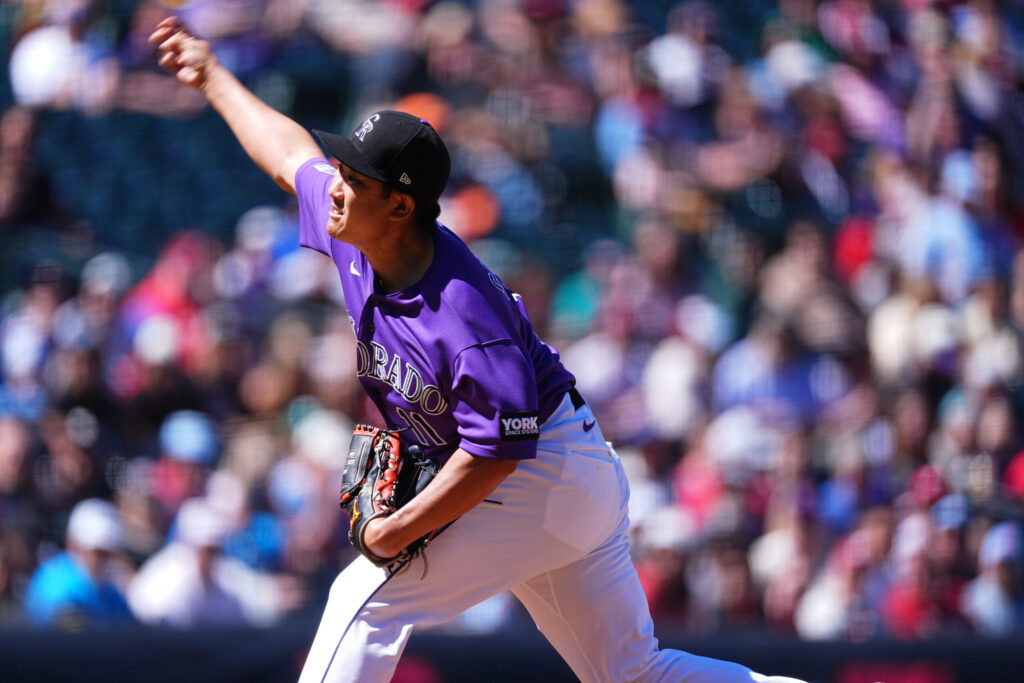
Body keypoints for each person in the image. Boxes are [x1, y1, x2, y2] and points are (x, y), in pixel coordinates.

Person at [150, 16, 806, 683]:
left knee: (363, 597)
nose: (335, 185)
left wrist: (398, 528)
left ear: (401, 206)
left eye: (354, 177)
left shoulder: (463, 310)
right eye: (341, 169)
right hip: (563, 472)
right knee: (633, 674)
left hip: (538, 471)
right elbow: (288, 155)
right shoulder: (361, 226)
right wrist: (212, 76)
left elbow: (498, 451)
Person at [23, 498, 134, 629]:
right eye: (98, 551)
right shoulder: (53, 584)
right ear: (72, 544)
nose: (104, 559)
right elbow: (71, 636)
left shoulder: (110, 591)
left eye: (109, 552)